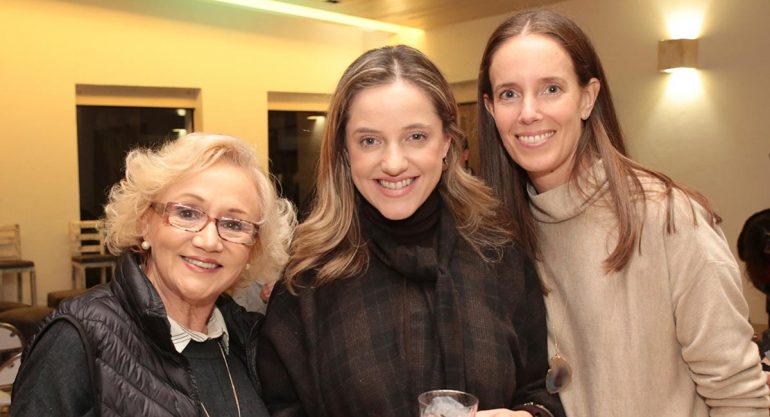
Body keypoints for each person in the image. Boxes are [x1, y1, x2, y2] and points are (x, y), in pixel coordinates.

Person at [476, 9, 770, 417]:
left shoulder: (668, 218)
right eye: (509, 93)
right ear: (491, 110)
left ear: (588, 97)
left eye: (551, 89)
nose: (528, 113)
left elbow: (741, 400)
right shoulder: (500, 237)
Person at [258, 45, 564, 417]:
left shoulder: (498, 251)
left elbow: (540, 388)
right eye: (369, 141)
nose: (393, 163)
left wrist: (529, 416)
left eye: (416, 136)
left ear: (447, 142)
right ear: (344, 150)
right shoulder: (309, 279)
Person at [11, 133, 296, 417]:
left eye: (234, 224)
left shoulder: (256, 343)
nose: (209, 241)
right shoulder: (78, 337)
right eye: (187, 213)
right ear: (145, 223)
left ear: (253, 247)